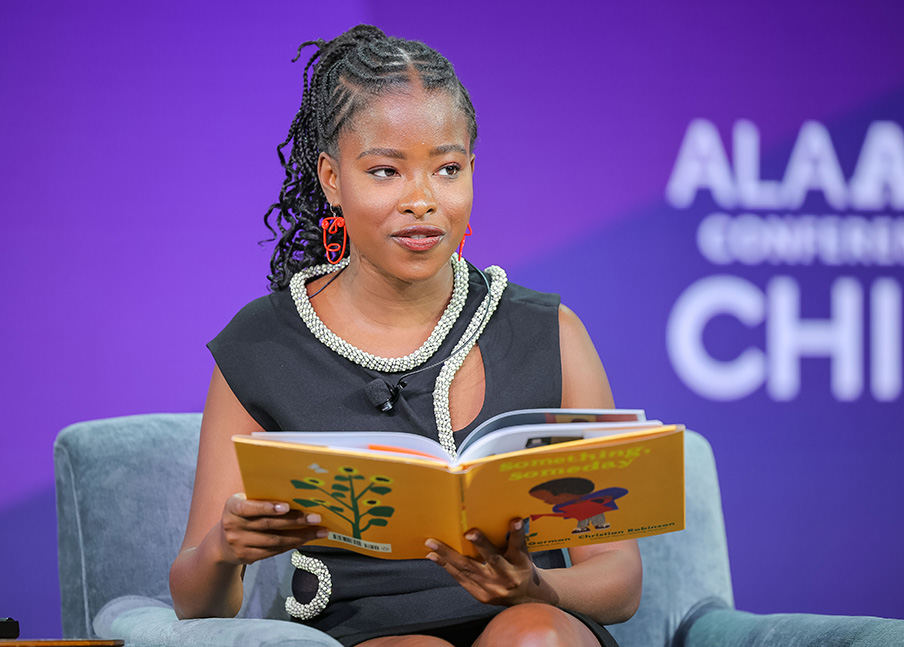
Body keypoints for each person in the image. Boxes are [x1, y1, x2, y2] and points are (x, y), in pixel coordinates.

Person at [169, 24, 642, 647]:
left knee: (533, 637)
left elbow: (620, 581)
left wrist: (537, 590)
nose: (422, 201)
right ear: (332, 178)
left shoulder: (549, 332)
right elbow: (195, 600)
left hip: (538, 619)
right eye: (387, 171)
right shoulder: (261, 346)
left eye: (447, 169)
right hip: (364, 633)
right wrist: (226, 549)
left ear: (472, 169)